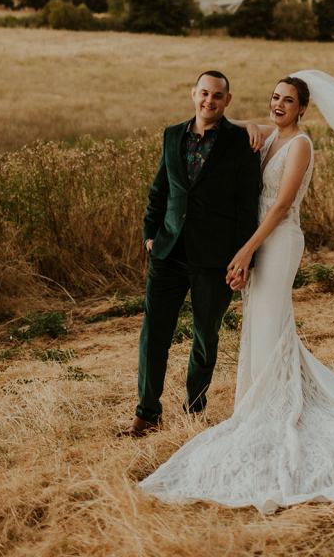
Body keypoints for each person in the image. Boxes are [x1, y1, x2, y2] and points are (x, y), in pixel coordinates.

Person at [138, 75, 334, 512]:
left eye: (289, 101)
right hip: (257, 241)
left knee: (269, 322)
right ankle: (259, 402)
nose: (279, 105)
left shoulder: (299, 145)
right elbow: (223, 122)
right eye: (275, 98)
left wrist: (244, 251)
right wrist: (249, 124)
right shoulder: (265, 139)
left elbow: (280, 206)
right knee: (263, 326)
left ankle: (270, 409)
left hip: (277, 241)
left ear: (303, 109)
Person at [120, 70, 260, 438]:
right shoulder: (171, 136)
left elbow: (248, 207)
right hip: (168, 253)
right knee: (154, 335)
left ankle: (194, 410)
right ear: (193, 94)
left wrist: (245, 259)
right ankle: (146, 414)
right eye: (203, 94)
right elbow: (159, 191)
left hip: (215, 259)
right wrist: (151, 235)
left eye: (217, 96)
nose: (209, 101)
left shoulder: (240, 142)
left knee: (205, 335)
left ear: (227, 101)